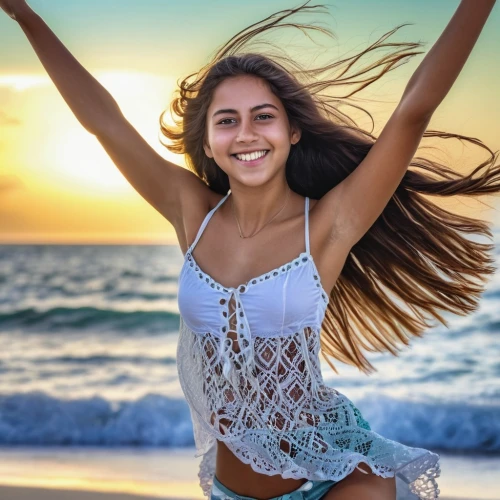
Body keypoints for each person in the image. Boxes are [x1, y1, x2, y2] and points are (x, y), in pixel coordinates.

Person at [2, 0, 498, 498]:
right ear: (209, 141)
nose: (246, 134)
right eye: (227, 121)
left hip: (332, 481)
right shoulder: (191, 213)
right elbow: (105, 122)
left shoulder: (327, 224)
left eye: (263, 116)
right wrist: (25, 15)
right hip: (230, 490)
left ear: (292, 131)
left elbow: (413, 110)